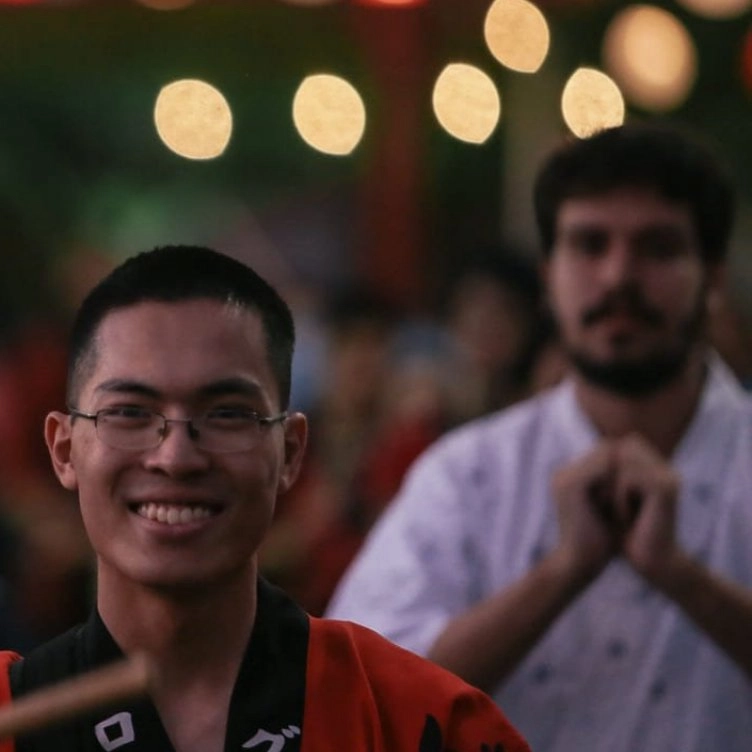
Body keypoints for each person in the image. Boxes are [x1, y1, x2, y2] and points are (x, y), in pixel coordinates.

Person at [0, 245, 529, 752]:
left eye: (228, 413)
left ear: (292, 451)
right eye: (130, 413)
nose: (177, 457)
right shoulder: (11, 714)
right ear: (64, 449)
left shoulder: (417, 720)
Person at [327, 122, 752, 751]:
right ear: (550, 275)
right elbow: (361, 699)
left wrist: (679, 575)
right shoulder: (467, 474)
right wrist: (562, 572)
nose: (617, 277)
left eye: (658, 248)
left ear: (712, 276)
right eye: (589, 245)